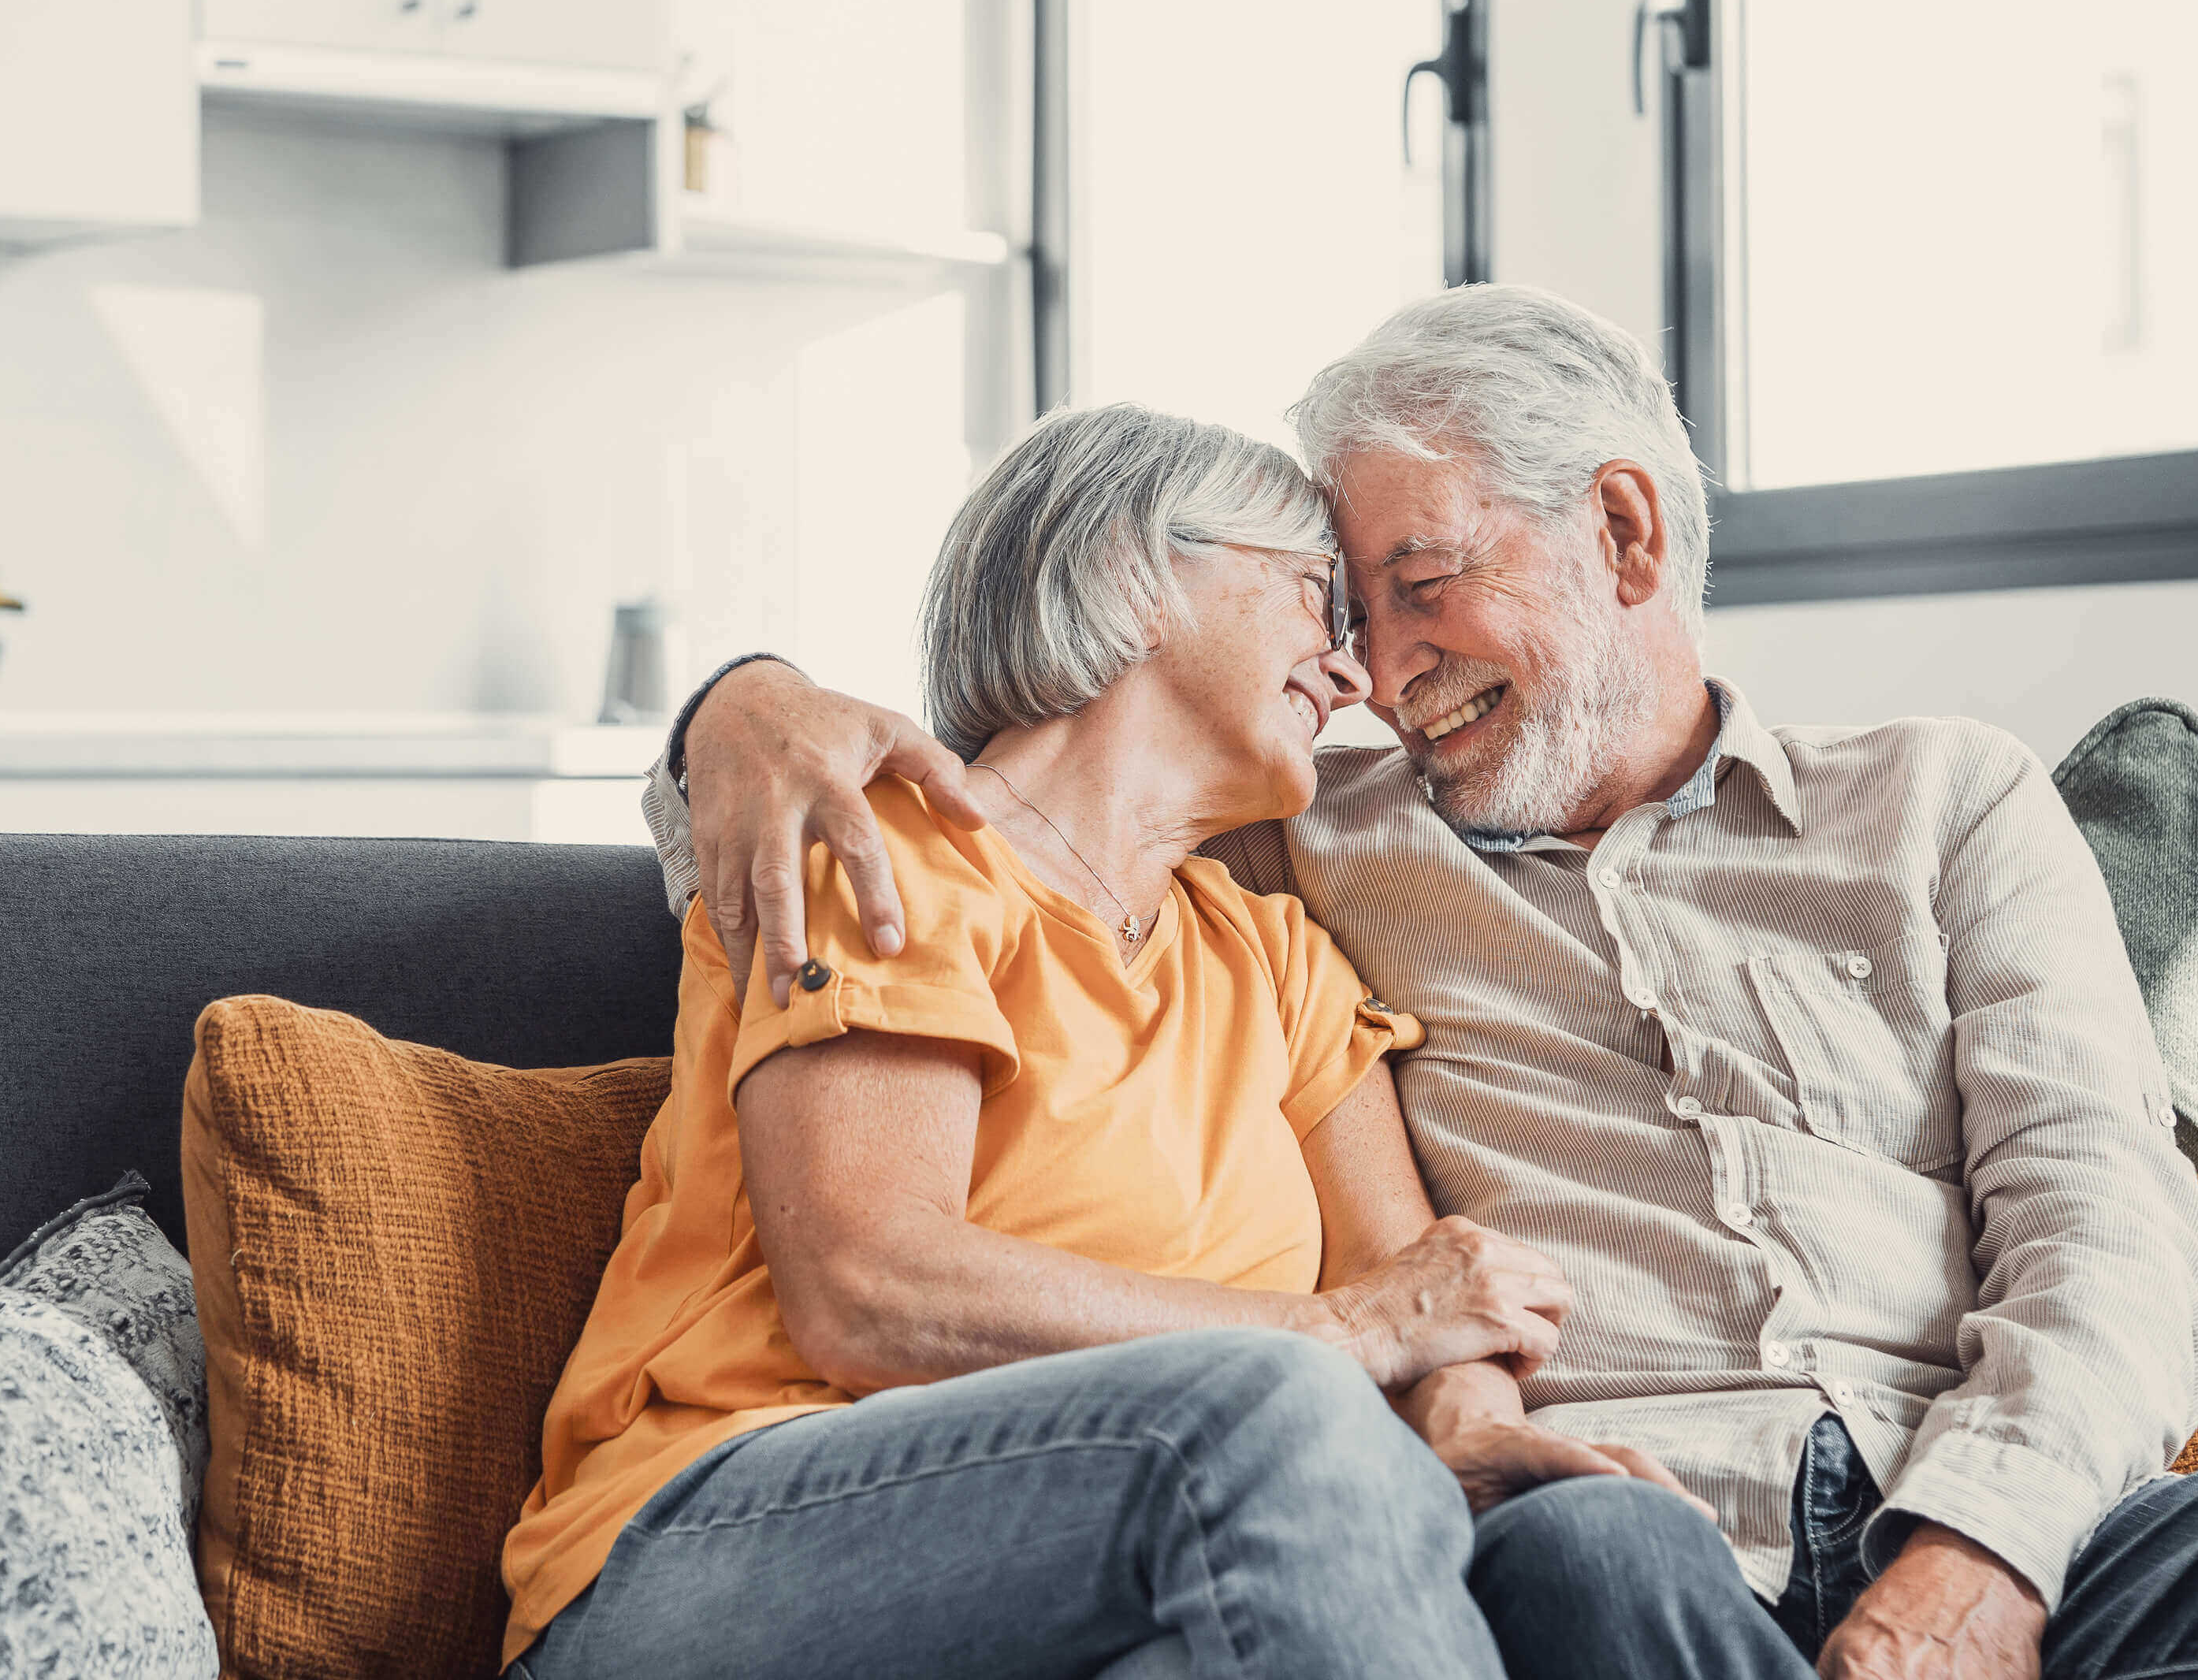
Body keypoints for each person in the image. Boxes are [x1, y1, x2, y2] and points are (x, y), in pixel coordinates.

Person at [653, 284, 2198, 1680]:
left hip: (1986, 1515)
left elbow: (2115, 1239)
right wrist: (732, 711)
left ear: (1620, 528)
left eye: (1421, 585)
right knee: (1591, 1563)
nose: (1376, 662)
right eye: (1345, 607)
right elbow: (1018, 795)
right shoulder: (1310, 841)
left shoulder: (1941, 808)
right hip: (1637, 1533)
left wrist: (1980, 1557)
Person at [501, 400, 1733, 1680]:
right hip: (719, 1544)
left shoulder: (1273, 961)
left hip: (1111, 1573)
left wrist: (1467, 1422)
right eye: (1319, 597)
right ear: (1134, 576)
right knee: (1284, 1416)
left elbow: (1411, 1280)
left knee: (1584, 1540)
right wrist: (1339, 1339)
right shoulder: (886, 848)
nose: (1357, 675)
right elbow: (869, 1286)